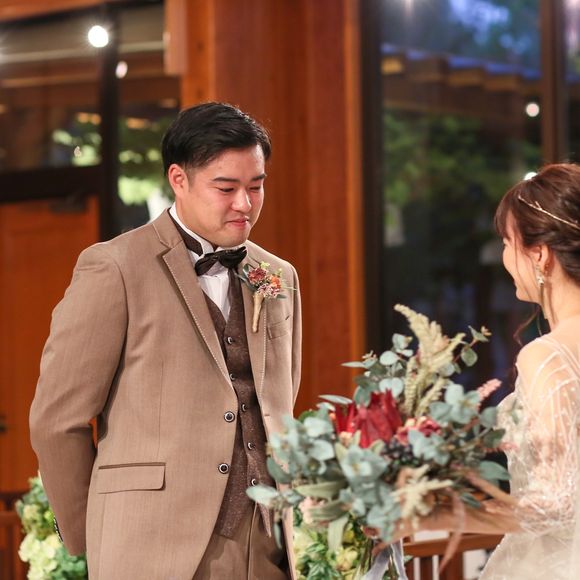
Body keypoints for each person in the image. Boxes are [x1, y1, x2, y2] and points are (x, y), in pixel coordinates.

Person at [29, 102, 302, 580]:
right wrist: (88, 536)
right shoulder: (115, 267)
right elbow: (57, 420)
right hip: (149, 547)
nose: (245, 203)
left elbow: (281, 404)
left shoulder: (278, 276)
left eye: (256, 186)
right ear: (179, 179)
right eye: (226, 188)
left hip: (268, 545)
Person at [479, 162, 580, 578]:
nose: (505, 257)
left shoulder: (548, 355)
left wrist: (429, 514)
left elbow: (555, 505)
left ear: (540, 254)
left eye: (507, 242)